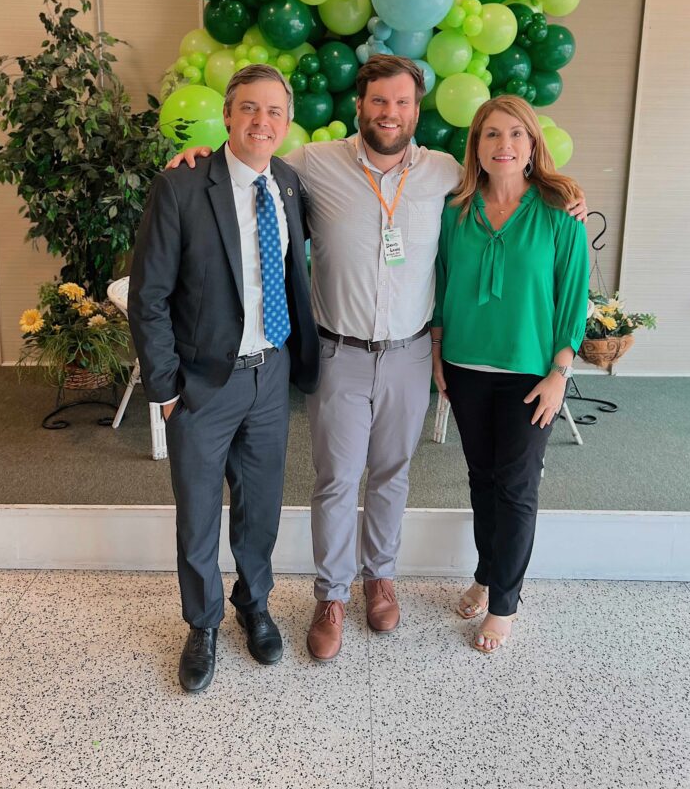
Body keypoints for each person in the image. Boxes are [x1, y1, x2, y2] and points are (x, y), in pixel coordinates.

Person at [170, 55, 587, 664]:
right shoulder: (312, 165)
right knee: (336, 480)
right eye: (378, 101)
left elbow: (517, 189)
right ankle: (331, 596)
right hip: (339, 351)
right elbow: (247, 162)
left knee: (393, 474)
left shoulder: (446, 174)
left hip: (411, 354)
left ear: (416, 111)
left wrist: (567, 196)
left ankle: (379, 578)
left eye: (401, 102)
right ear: (359, 106)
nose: (389, 113)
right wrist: (197, 157)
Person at [128, 64, 319, 693]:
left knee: (260, 509)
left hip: (271, 376)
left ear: (286, 124)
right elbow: (148, 297)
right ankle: (203, 621)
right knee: (200, 515)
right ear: (229, 115)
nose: (262, 122)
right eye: (249, 109)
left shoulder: (289, 183)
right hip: (200, 387)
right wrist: (165, 389)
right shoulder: (181, 186)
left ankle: (253, 604)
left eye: (274, 112)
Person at [431, 94, 589, 655]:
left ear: (532, 145)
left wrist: (559, 371)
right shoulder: (455, 211)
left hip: (530, 375)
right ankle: (484, 572)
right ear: (476, 145)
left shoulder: (559, 217)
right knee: (482, 480)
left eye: (516, 134)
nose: (504, 145)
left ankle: (505, 604)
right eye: (492, 134)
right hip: (466, 366)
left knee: (517, 487)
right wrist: (438, 352)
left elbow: (573, 303)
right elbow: (444, 288)